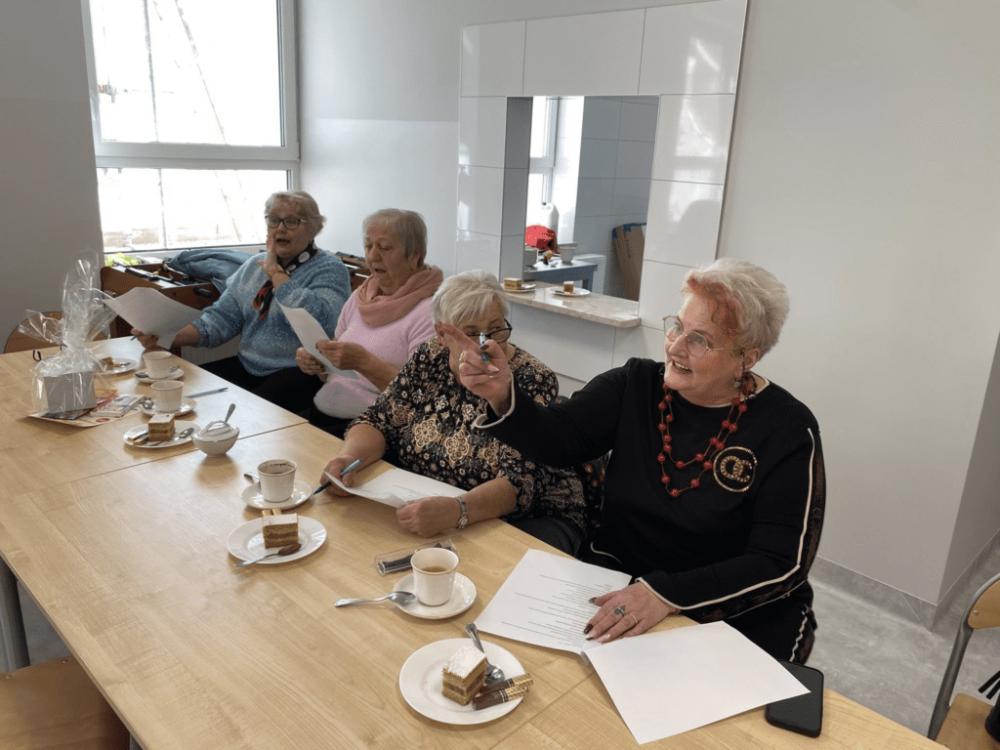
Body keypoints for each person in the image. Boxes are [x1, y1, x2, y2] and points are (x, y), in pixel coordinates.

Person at [443, 258, 825, 663]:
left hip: (733, 609)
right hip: (620, 577)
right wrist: (503, 393)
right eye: (676, 326)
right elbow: (559, 439)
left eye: (699, 340)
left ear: (747, 358)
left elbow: (780, 563)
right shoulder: (636, 384)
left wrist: (665, 594)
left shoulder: (787, 430)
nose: (674, 347)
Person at [322, 270, 587, 555]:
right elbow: (380, 420)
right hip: (436, 503)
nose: (486, 344)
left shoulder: (531, 378)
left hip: (529, 517)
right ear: (442, 334)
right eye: (470, 333)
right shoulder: (429, 358)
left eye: (496, 328)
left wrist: (458, 510)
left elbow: (520, 481)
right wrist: (348, 460)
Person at [132, 190, 350, 412]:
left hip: (300, 372)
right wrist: (165, 336)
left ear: (313, 228)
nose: (280, 228)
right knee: (187, 395)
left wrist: (278, 276)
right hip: (248, 366)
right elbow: (219, 321)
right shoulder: (254, 265)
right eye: (274, 220)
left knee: (246, 413)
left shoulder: (330, 269)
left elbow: (323, 323)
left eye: (292, 221)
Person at [294, 209, 442, 437]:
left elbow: (421, 396)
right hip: (323, 413)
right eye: (368, 246)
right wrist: (318, 362)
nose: (372, 256)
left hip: (372, 431)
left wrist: (364, 363)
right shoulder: (360, 297)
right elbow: (332, 369)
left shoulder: (431, 312)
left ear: (414, 256)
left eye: (384, 248)